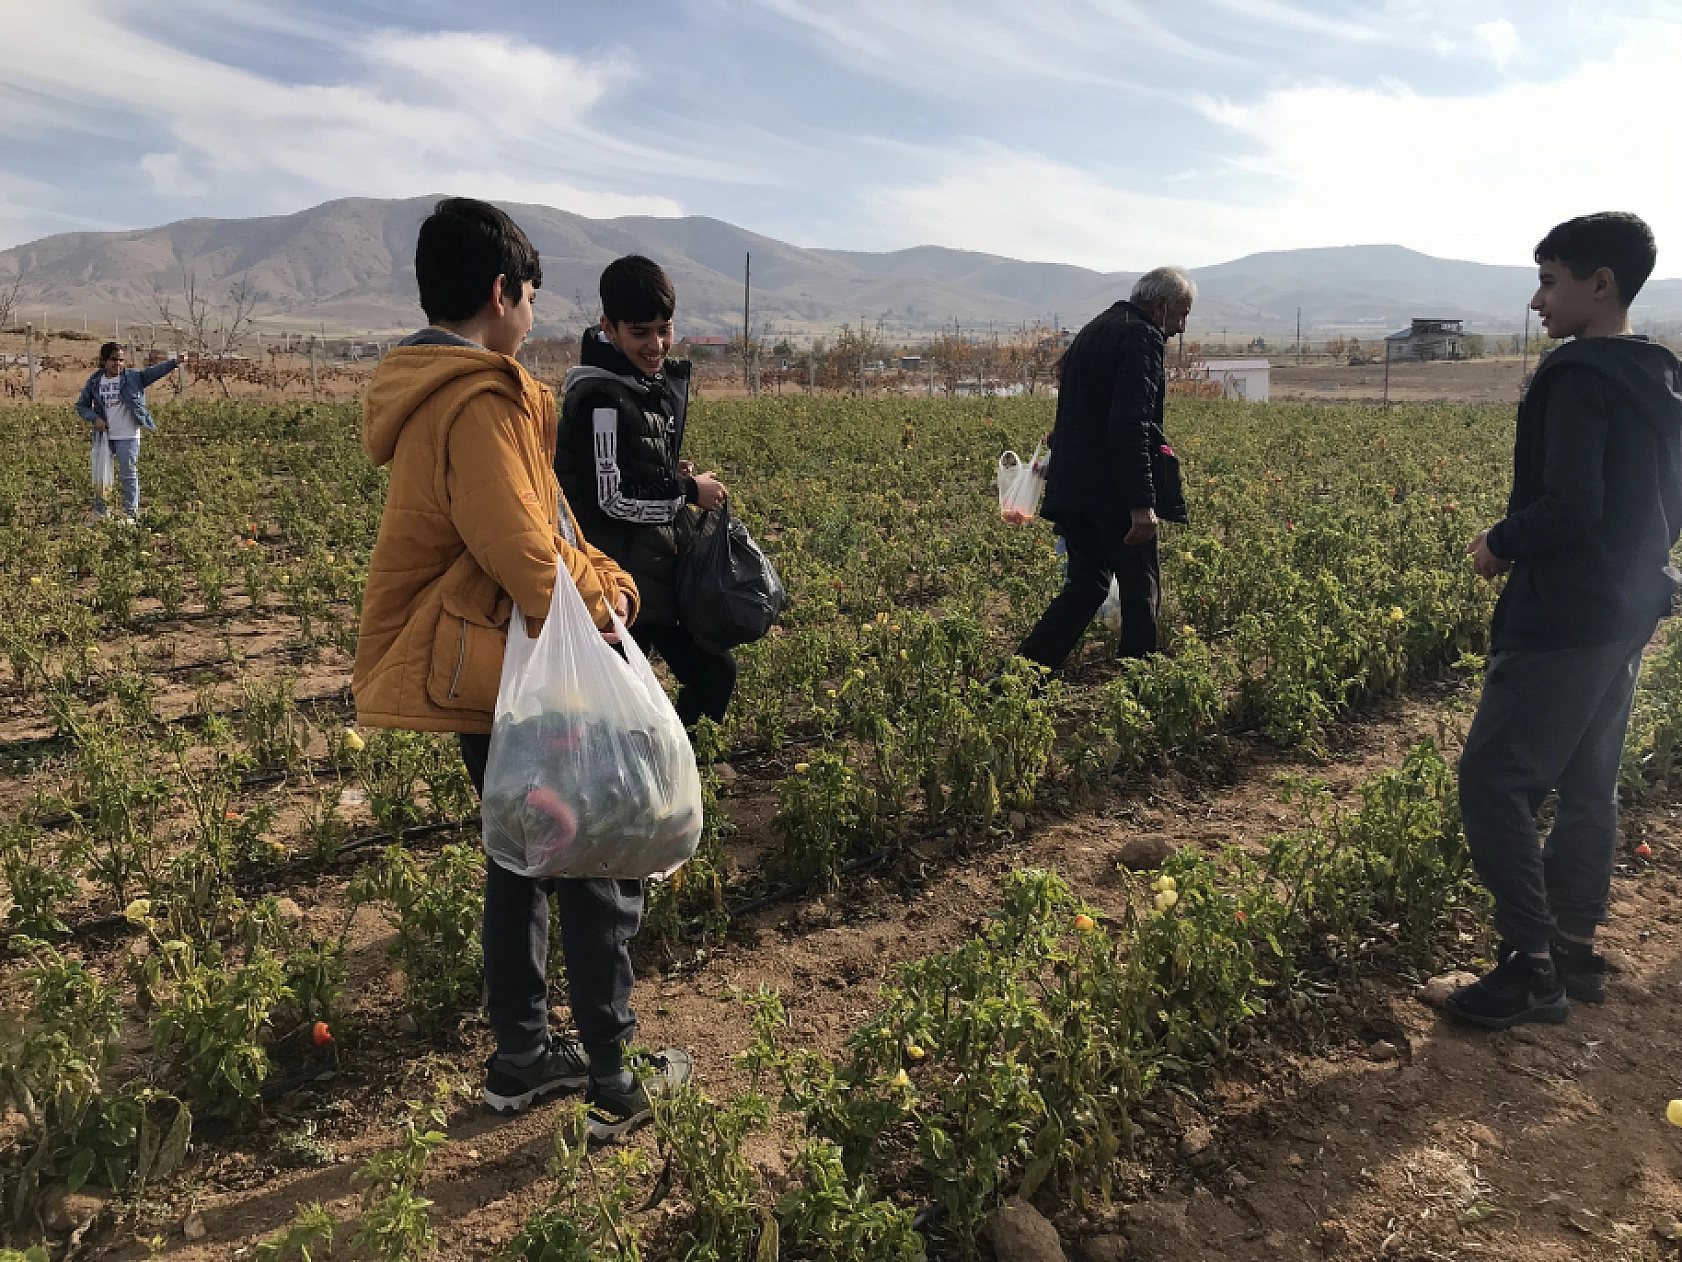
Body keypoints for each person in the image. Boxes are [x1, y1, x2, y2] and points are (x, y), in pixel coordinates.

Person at [352, 198, 692, 1137]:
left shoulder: (449, 392)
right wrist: (605, 616)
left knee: (520, 856)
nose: (538, 312)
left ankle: (523, 1060)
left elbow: (549, 527)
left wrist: (606, 575)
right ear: (503, 293)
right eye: (533, 293)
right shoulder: (476, 401)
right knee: (595, 858)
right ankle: (616, 1083)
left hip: (497, 666)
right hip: (521, 670)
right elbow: (528, 555)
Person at [1448, 212, 1682, 1030]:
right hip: (1629, 605)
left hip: (1567, 612)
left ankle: (1530, 968)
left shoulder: (1578, 375)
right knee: (1587, 784)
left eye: (1550, 279)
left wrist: (1499, 543)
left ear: (1600, 284)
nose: (1537, 298)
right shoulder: (1657, 374)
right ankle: (1573, 949)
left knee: (1494, 779)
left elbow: (1571, 505)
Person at [556, 255, 737, 728]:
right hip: (616, 579)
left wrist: (667, 471)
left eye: (664, 329)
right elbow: (611, 497)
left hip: (655, 570)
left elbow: (623, 466)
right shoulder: (602, 397)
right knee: (622, 709)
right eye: (640, 332)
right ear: (609, 328)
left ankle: (679, 764)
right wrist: (685, 490)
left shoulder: (641, 386)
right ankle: (656, 773)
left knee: (714, 673)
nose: (656, 344)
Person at [1015, 267, 1194, 668]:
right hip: (1112, 488)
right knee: (1139, 588)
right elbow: (1131, 426)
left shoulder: (1096, 328)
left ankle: (1019, 677)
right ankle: (1137, 686)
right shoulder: (1141, 336)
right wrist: (1141, 503)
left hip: (1073, 485)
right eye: (1181, 314)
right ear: (1160, 305)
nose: (1181, 327)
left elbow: (1083, 406)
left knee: (1086, 586)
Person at [74, 342, 180, 520]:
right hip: (105, 436)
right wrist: (95, 419)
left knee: (128, 474)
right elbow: (81, 405)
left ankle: (130, 515)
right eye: (113, 359)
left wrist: (174, 362)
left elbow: (154, 372)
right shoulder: (95, 381)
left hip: (128, 435)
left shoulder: (133, 377)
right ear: (104, 360)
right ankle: (101, 513)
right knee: (102, 474)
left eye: (121, 360)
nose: (118, 363)